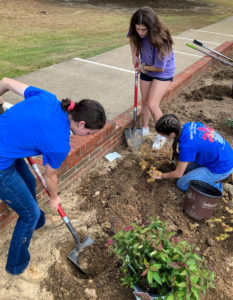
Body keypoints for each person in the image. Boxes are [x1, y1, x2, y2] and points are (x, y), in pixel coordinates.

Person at [0, 77, 106, 282]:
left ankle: (39, 223)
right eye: (89, 132)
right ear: (81, 123)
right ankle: (16, 265)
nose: (87, 136)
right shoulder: (59, 143)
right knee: (28, 214)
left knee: (30, 183)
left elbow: (5, 82)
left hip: (8, 150)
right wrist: (54, 199)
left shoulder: (48, 98)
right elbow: (50, 176)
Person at [128, 6, 176, 150]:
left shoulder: (162, 39)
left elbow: (159, 67)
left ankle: (162, 134)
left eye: (144, 30)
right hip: (146, 67)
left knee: (153, 104)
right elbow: (132, 39)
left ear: (151, 27)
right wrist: (134, 57)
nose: (140, 33)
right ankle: (144, 128)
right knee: (145, 102)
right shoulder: (136, 32)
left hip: (162, 72)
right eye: (138, 29)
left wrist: (142, 67)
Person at [152, 114, 233, 192]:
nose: (163, 137)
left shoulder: (187, 146)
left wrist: (162, 176)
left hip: (222, 167)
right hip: (224, 156)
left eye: (163, 135)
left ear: (172, 134)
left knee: (182, 184)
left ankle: (219, 186)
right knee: (185, 167)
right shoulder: (189, 125)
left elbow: (178, 174)